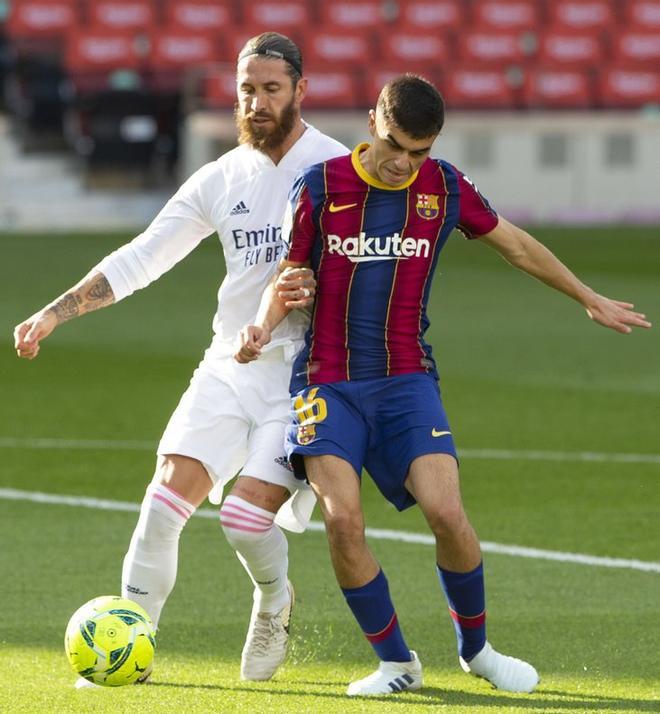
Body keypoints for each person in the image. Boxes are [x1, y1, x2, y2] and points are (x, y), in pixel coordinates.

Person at [235, 74, 652, 697]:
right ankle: (397, 664)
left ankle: (477, 650)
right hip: (328, 381)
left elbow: (514, 244)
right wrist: (261, 327)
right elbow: (289, 276)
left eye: (421, 151)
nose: (406, 163)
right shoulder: (321, 186)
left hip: (406, 378)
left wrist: (587, 297)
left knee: (449, 515)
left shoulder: (445, 186)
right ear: (376, 120)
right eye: (398, 145)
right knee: (343, 521)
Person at [13, 33, 348, 685]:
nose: (255, 102)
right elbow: (143, 256)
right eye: (246, 90)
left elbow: (377, 264)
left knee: (246, 520)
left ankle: (275, 600)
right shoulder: (222, 178)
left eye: (271, 89)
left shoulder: (335, 170)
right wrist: (55, 311)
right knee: (162, 503)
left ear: (301, 91)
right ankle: (130, 653)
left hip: (305, 377)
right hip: (230, 367)